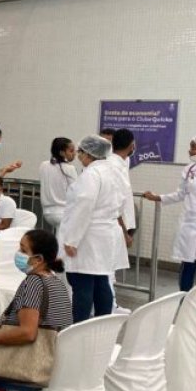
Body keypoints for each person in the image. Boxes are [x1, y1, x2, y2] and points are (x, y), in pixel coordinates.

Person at [0, 229, 72, 359]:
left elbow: (27, 333)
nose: (18, 254)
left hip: (28, 362)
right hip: (55, 357)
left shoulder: (33, 283)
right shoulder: (56, 282)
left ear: (38, 259)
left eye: (23, 250)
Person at [58, 135, 126, 323]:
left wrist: (72, 239)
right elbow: (122, 202)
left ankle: (79, 326)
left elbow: (84, 207)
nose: (79, 155)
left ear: (89, 154)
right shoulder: (113, 172)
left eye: (81, 152)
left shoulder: (91, 174)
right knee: (101, 280)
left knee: (83, 283)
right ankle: (102, 324)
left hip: (89, 236)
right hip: (106, 234)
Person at [143, 135, 196, 291]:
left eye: (194, 147)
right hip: (191, 223)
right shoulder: (189, 169)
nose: (190, 150)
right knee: (188, 263)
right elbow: (180, 194)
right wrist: (158, 198)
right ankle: (183, 298)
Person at [109, 129, 137, 312]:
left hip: (115, 223)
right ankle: (109, 306)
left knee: (110, 268)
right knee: (108, 269)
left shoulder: (120, 163)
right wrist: (124, 229)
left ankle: (111, 303)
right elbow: (116, 203)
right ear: (131, 145)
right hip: (113, 224)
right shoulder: (113, 166)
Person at [38, 137, 77, 229]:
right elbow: (75, 190)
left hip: (47, 212)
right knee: (63, 240)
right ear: (62, 153)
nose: (75, 153)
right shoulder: (69, 168)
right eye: (71, 151)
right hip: (63, 212)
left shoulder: (44, 165)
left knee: (59, 237)